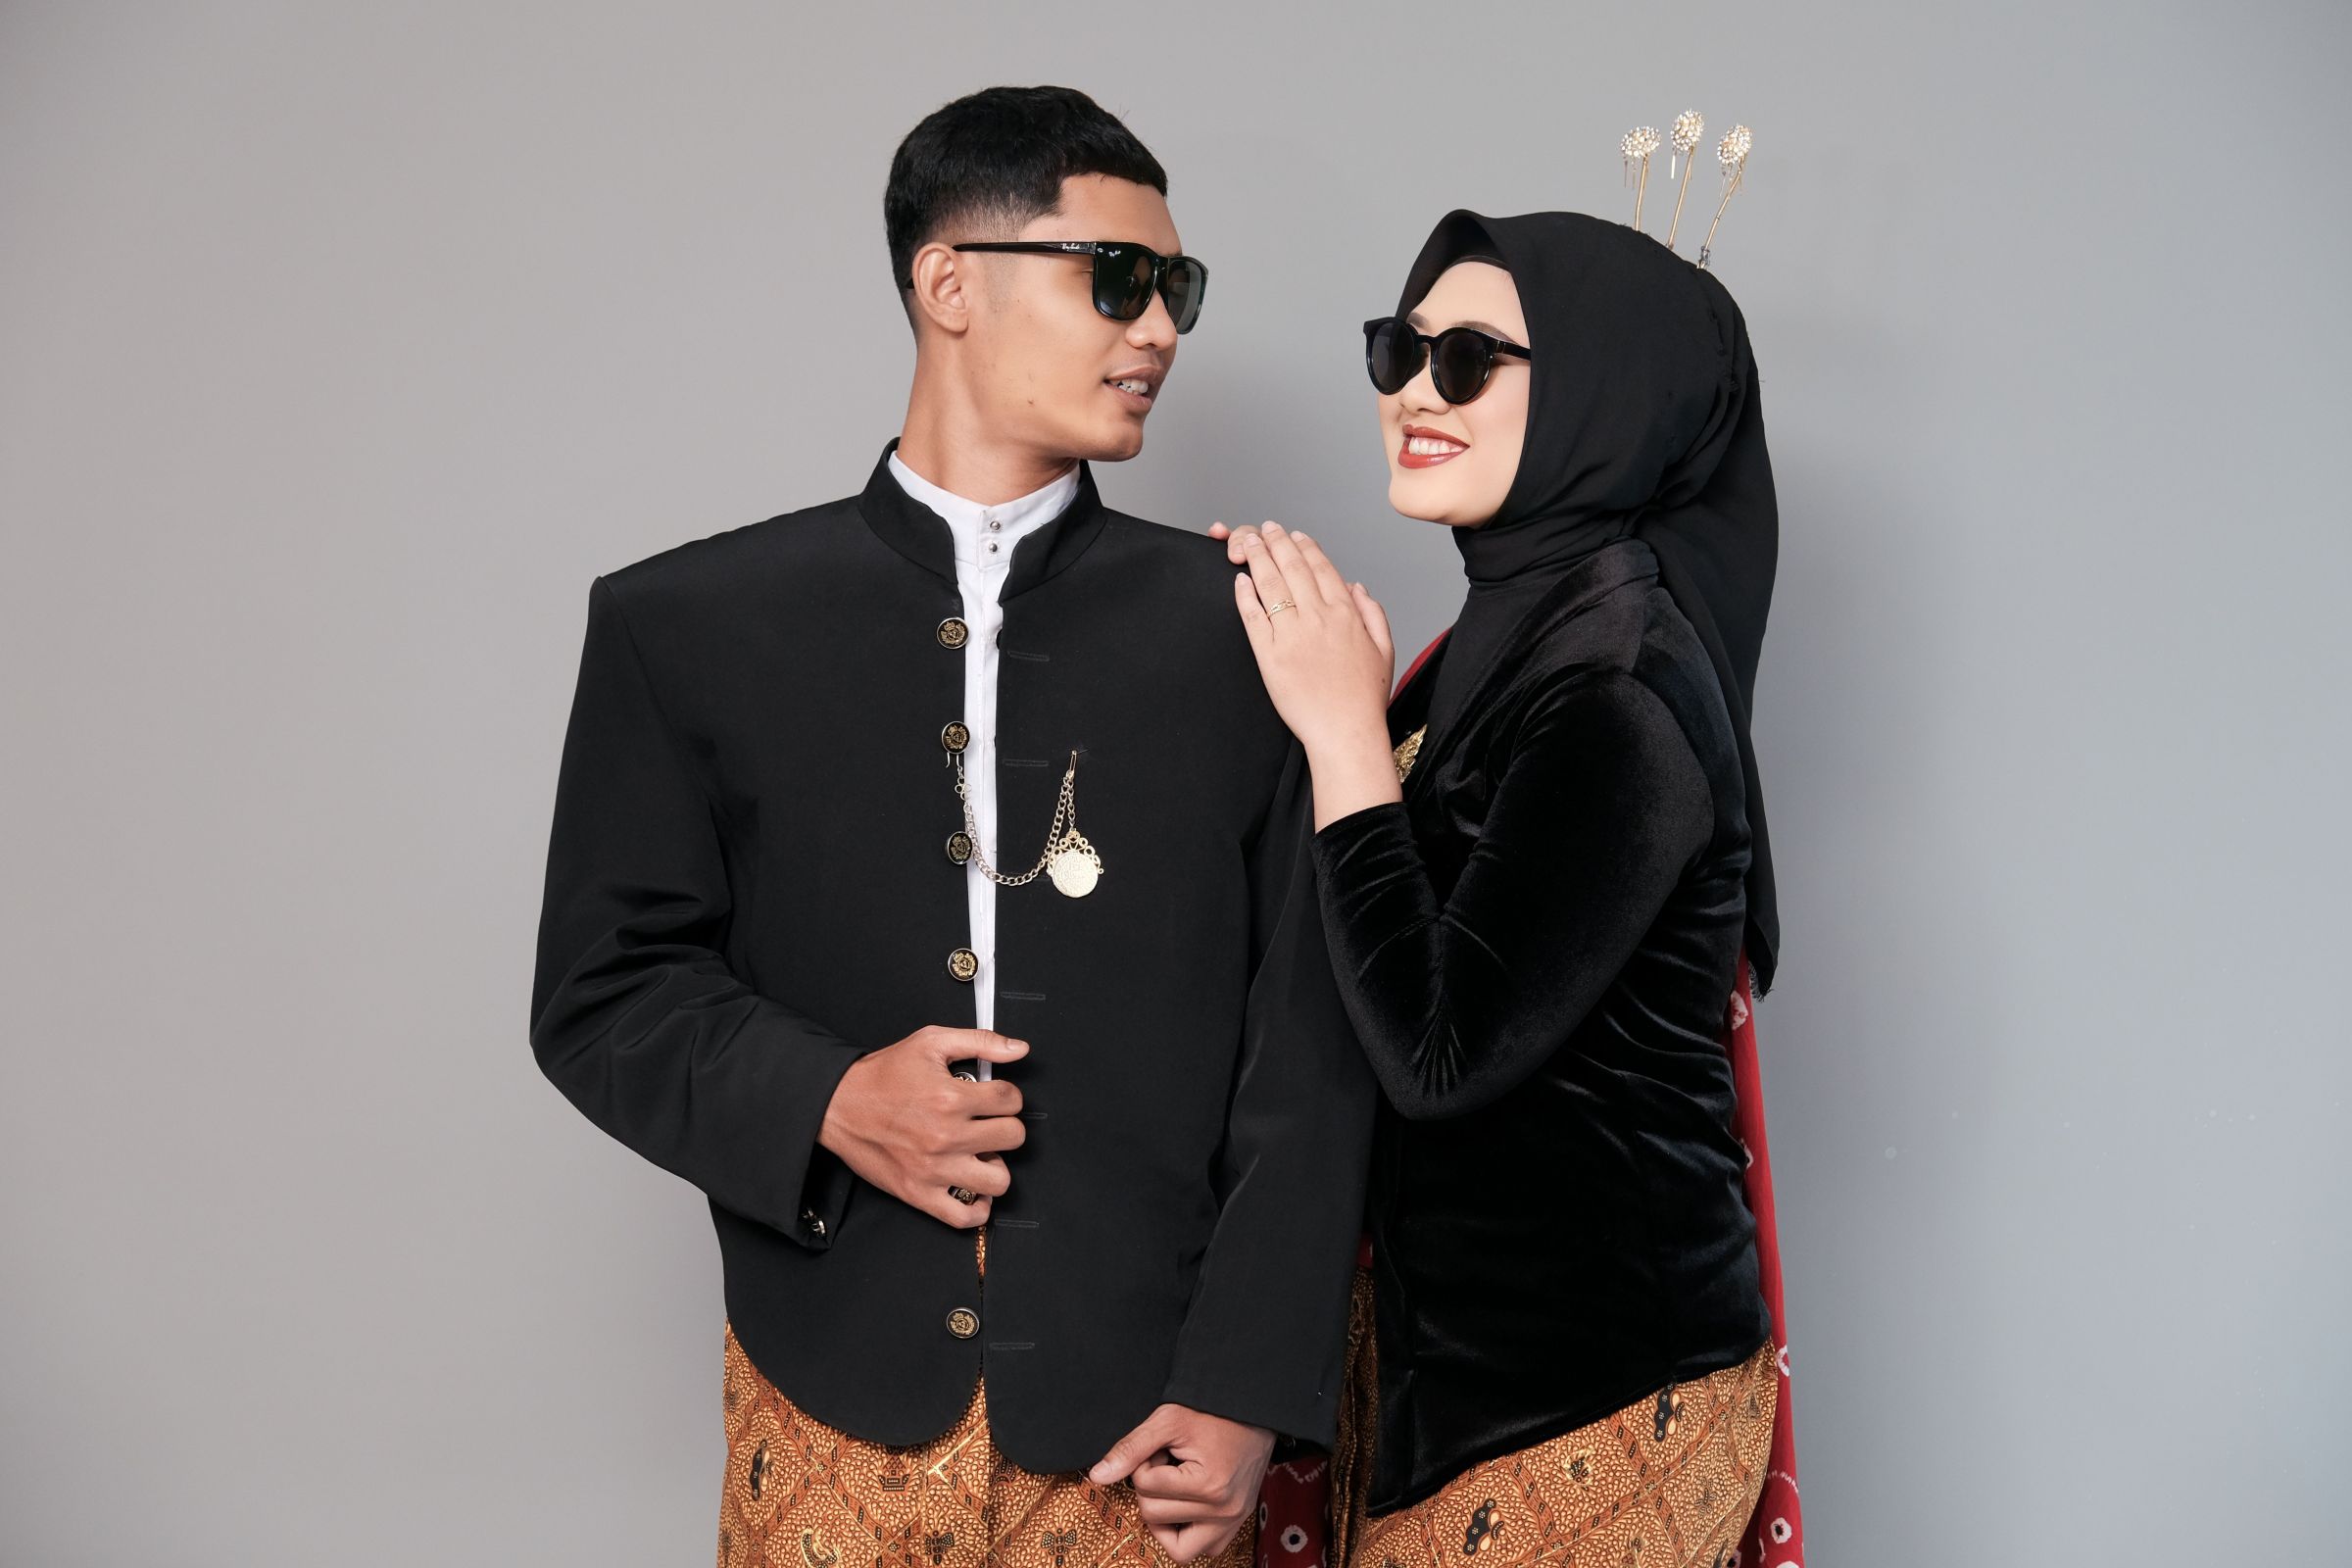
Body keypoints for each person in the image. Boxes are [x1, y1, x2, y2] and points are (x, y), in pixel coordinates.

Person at [528, 85, 1374, 1568]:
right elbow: (603, 994)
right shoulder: (687, 627)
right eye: (1119, 278)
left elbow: (1309, 1048)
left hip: (1146, 1438)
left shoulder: (1249, 634)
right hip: (826, 1411)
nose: (1161, 329)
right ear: (949, 282)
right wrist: (828, 1097)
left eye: (1178, 291)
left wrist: (1249, 1387)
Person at [1211, 210, 1785, 1568]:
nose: (1416, 390)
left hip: (1594, 1406)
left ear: (1607, 397)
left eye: (1468, 359)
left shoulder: (1620, 685)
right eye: (1399, 350)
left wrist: (1343, 735)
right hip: (1468, 1391)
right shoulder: (1511, 636)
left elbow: (1438, 1052)